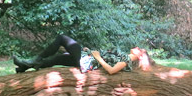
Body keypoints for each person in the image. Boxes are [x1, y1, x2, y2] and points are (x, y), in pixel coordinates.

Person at [13, 34, 151, 74]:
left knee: (62, 38)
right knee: (56, 59)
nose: (137, 47)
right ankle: (24, 66)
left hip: (88, 63)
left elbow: (111, 70)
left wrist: (97, 57)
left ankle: (31, 61)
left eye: (140, 49)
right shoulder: (123, 56)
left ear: (140, 56)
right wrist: (90, 51)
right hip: (87, 57)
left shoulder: (126, 59)